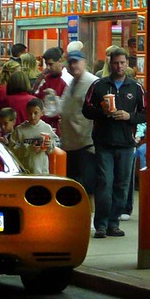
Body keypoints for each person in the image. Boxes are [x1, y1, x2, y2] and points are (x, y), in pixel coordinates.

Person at [84, 44, 146, 238]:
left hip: (127, 144)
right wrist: (101, 111)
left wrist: (129, 116)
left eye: (122, 63)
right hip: (104, 142)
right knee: (105, 183)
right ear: (110, 64)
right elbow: (86, 110)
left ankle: (114, 222)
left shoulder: (136, 88)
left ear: (127, 64)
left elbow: (146, 113)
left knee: (122, 185)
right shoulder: (99, 85)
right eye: (116, 63)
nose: (119, 66)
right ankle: (101, 224)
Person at [59, 44, 97, 200]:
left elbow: (98, 114)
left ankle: (91, 218)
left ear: (84, 62)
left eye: (76, 62)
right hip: (70, 143)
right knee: (73, 184)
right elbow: (66, 108)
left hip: (86, 144)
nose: (73, 65)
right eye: (70, 62)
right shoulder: (72, 83)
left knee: (87, 186)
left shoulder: (92, 82)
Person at [14, 97, 57, 174]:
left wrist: (50, 144)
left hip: (42, 170)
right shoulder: (19, 130)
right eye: (30, 113)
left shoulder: (46, 128)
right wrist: (29, 148)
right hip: (25, 171)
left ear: (42, 113)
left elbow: (55, 143)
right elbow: (13, 151)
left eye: (35, 113)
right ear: (26, 113)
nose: (32, 116)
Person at [32, 46, 67, 130]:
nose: (48, 67)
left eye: (51, 64)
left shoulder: (67, 79)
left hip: (61, 127)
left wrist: (55, 98)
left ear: (60, 61)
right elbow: (36, 98)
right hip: (44, 126)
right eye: (47, 64)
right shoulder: (45, 79)